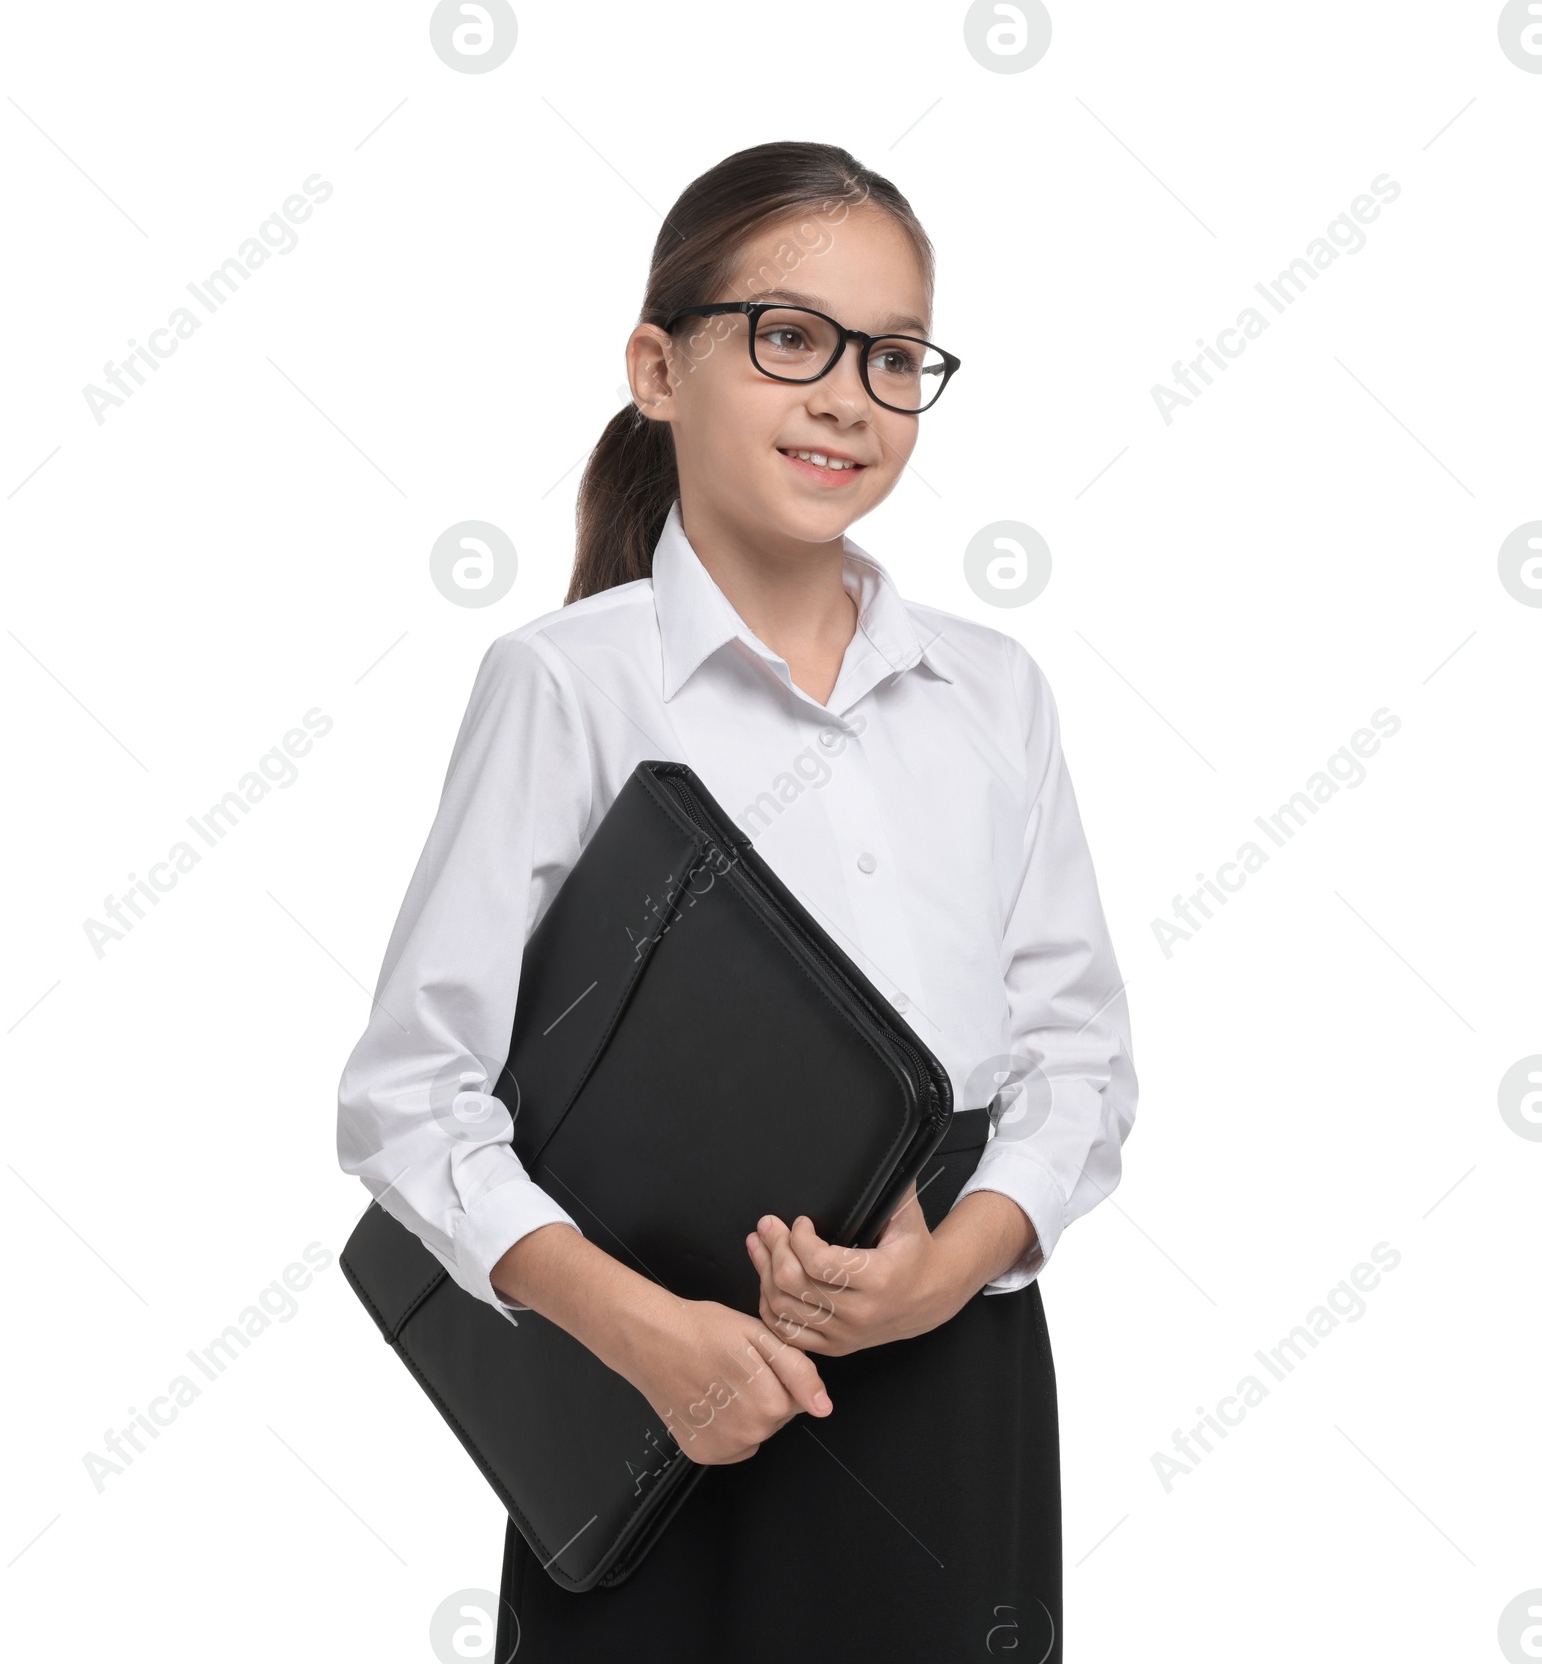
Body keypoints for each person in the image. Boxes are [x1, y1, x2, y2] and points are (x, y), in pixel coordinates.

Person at [336, 138, 1137, 1662]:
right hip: (645, 1388)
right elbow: (410, 1101)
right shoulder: (565, 686)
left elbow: (1079, 1062)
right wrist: (647, 1338)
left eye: (894, 355)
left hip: (946, 1369)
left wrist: (944, 1273)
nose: (847, 395)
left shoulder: (992, 691)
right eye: (789, 337)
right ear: (659, 367)